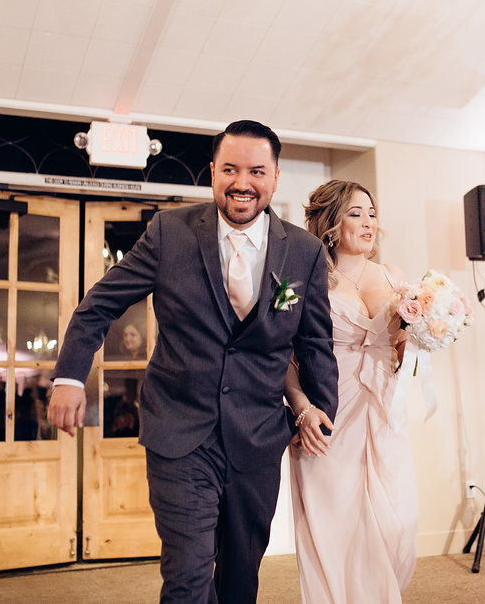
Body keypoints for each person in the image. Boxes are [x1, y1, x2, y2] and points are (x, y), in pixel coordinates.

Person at [48, 120, 339, 603]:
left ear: (276, 176)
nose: (241, 182)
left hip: (256, 439)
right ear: (212, 171)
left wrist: (320, 417)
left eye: (256, 171)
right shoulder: (169, 232)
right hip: (180, 434)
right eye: (229, 169)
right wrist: (69, 377)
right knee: (187, 575)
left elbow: (314, 343)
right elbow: (100, 304)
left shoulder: (303, 251)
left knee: (240, 579)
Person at [284, 179, 417, 604]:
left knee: (395, 519)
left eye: (373, 214)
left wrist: (423, 332)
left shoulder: (394, 277)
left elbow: (400, 350)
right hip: (328, 409)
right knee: (332, 522)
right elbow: (280, 355)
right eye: (356, 214)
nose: (368, 223)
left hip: (382, 407)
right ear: (330, 222)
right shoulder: (301, 277)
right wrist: (302, 409)